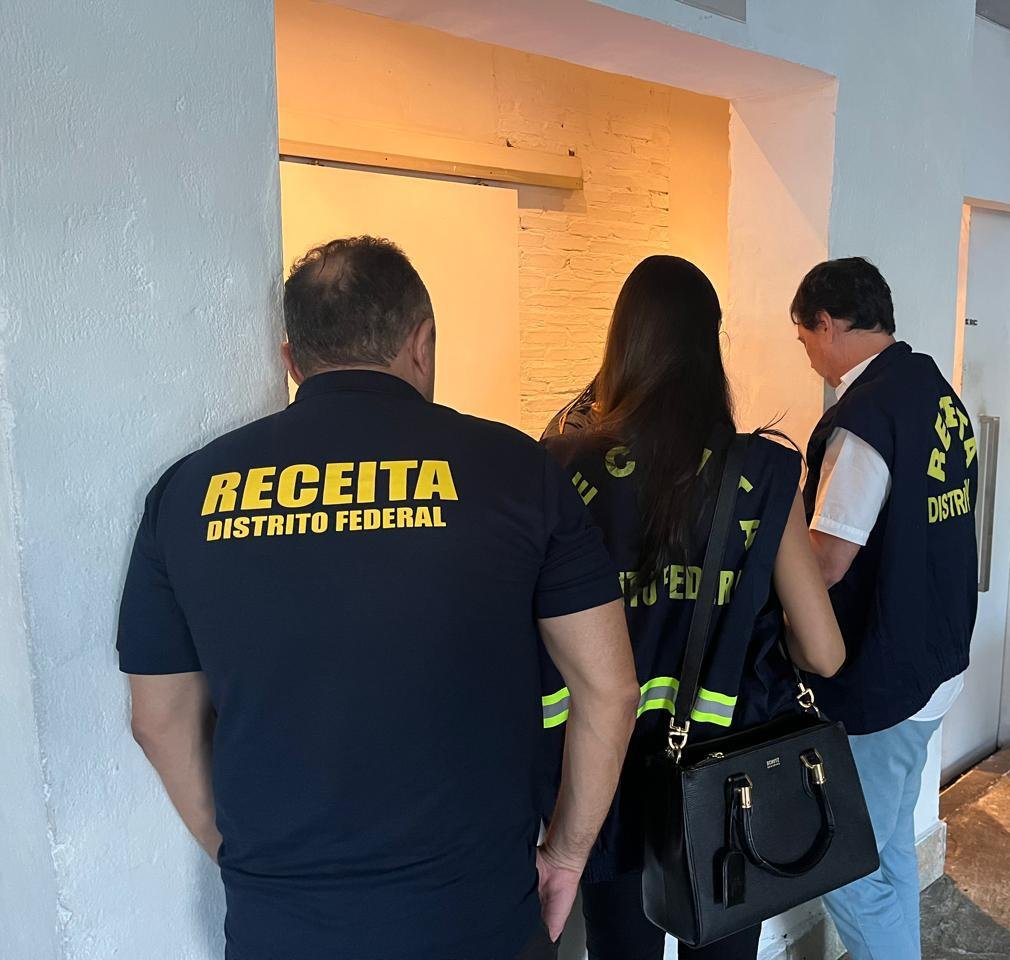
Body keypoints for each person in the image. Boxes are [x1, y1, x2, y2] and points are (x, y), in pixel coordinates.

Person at [117, 236, 639, 960]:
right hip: (477, 920)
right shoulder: (520, 471)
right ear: (421, 343)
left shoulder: (185, 493)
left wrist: (252, 866)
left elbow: (158, 721)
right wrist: (568, 854)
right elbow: (610, 690)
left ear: (292, 359)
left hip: (282, 933)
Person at [542, 255, 846, 960]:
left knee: (618, 947)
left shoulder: (564, 469)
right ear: (711, 346)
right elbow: (824, 653)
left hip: (603, 777)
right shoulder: (759, 473)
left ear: (621, 344)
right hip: (727, 779)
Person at [790, 257, 978, 960]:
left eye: (804, 338)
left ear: (827, 323)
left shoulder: (865, 418)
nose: (808, 356)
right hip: (936, 661)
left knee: (846, 869)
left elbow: (827, 562)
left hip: (886, 675)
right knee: (892, 841)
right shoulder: (935, 392)